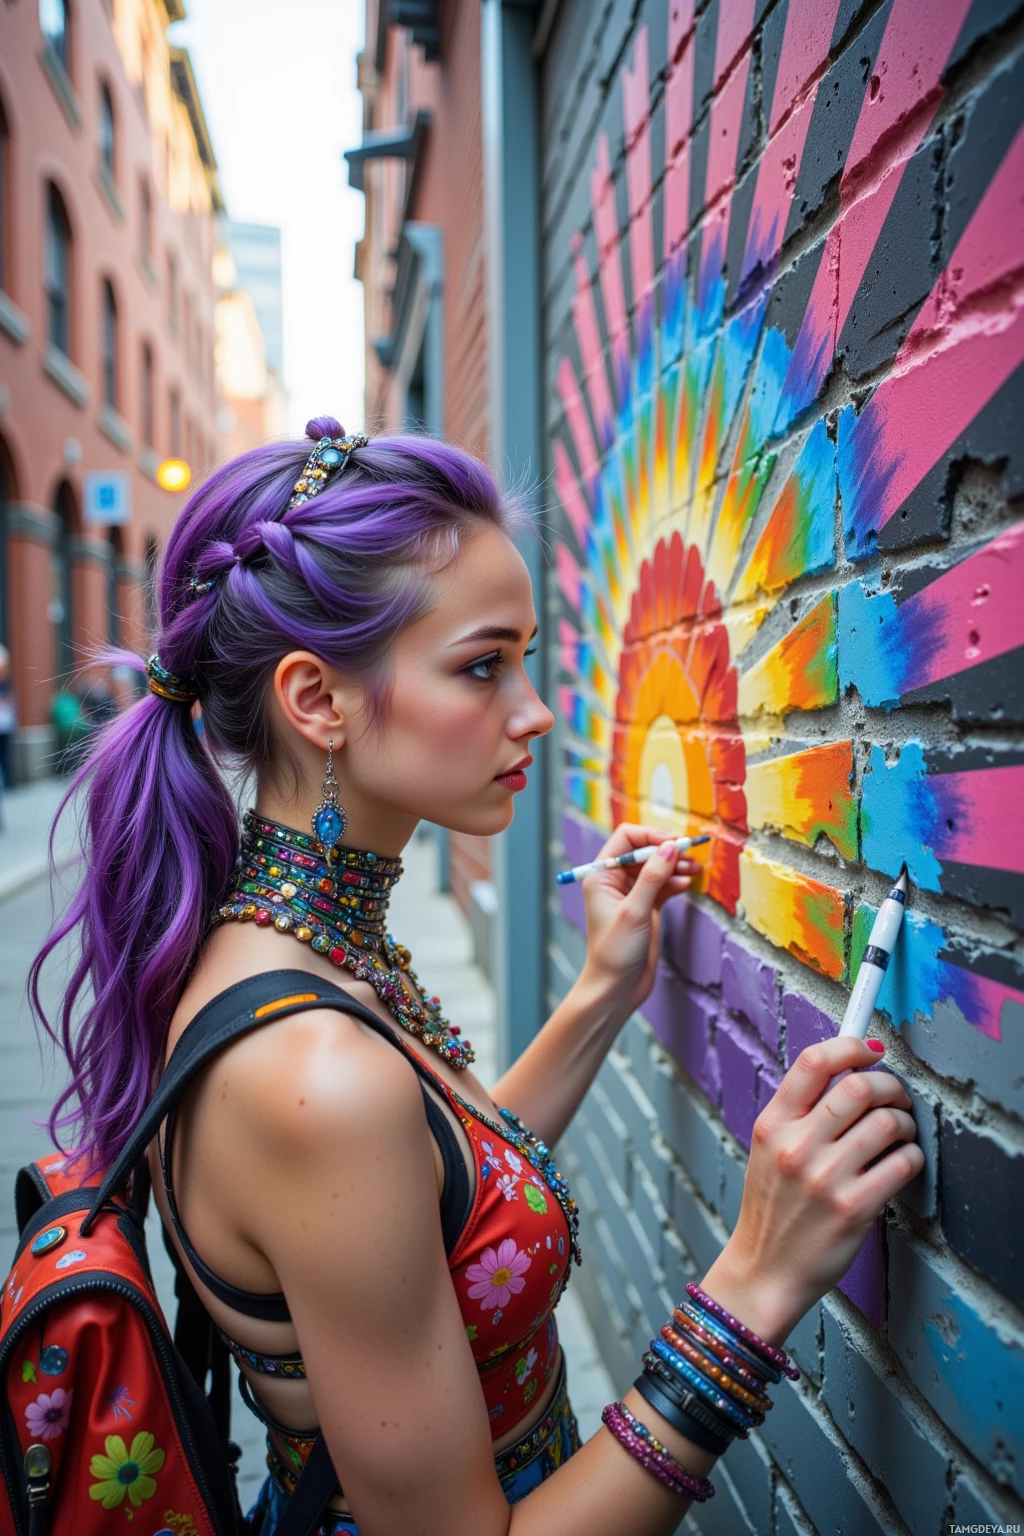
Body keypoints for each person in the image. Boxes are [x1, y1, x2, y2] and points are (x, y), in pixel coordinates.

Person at [33, 419, 924, 1536]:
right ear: (318, 702)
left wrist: (605, 986)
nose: (535, 712)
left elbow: (436, 1197)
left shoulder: (285, 946)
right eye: (480, 666)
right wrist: (754, 1281)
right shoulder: (311, 1073)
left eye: (526, 659)